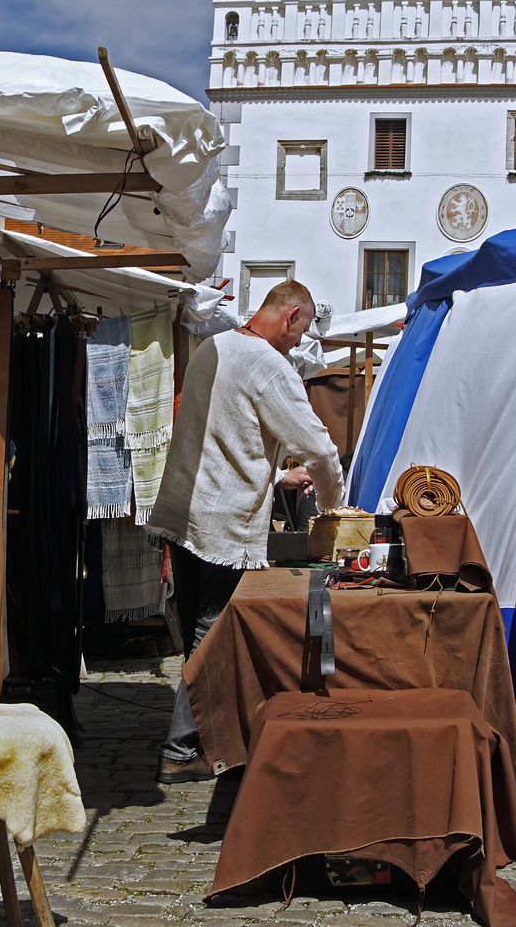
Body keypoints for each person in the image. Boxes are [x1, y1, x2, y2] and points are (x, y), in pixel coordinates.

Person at [146, 279, 345, 783]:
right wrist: (335, 507)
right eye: (301, 332)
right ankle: (180, 747)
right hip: (219, 522)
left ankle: (210, 739)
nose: (299, 343)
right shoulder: (268, 364)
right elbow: (319, 448)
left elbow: (222, 439)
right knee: (210, 633)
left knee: (198, 627)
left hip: (186, 509)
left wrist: (277, 475)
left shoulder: (214, 346)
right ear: (292, 315)